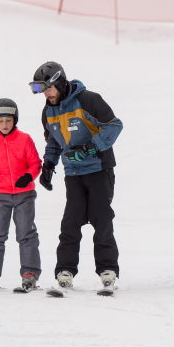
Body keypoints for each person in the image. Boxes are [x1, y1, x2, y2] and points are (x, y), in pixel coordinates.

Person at [31, 61, 123, 291]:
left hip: (99, 170)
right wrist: (49, 165)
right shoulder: (48, 110)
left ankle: (107, 269)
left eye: (48, 89)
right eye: (41, 90)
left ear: (60, 83)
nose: (45, 94)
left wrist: (92, 146)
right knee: (70, 223)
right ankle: (65, 270)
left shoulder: (88, 100)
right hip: (73, 173)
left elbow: (114, 125)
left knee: (102, 221)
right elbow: (54, 140)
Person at [0, 99, 43, 291]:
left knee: (26, 233)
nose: (4, 125)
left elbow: (35, 163)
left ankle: (29, 273)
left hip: (24, 195)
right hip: (0, 196)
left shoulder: (25, 139)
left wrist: (28, 176)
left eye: (8, 120)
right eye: (0, 121)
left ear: (15, 120)